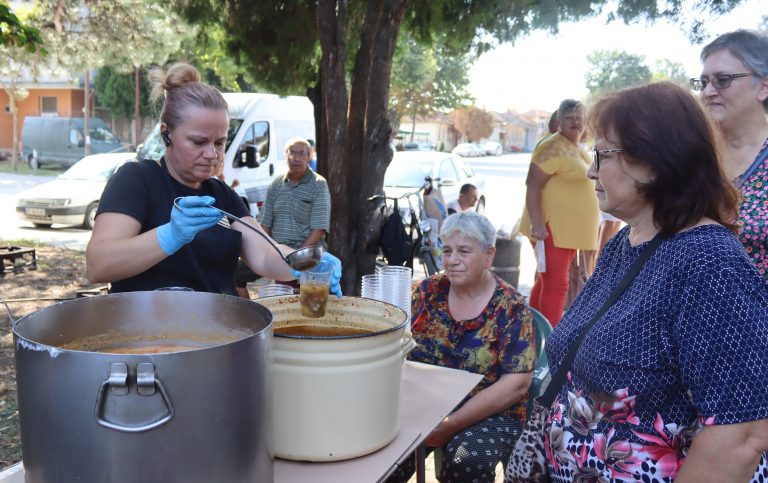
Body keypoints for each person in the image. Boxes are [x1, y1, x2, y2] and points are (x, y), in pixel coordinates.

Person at [535, 82, 768, 481]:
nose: (591, 169)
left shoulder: (710, 266)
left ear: (655, 162)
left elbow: (743, 435)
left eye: (602, 154)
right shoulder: (626, 244)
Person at [86, 63, 341, 297]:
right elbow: (98, 265)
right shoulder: (136, 180)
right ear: (167, 133)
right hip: (147, 338)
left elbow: (265, 254)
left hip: (219, 332)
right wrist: (168, 236)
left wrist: (308, 261)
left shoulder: (222, 195)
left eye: (220, 142)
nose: (212, 154)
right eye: (198, 142)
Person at [388, 212, 535, 483]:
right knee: (381, 452)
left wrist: (451, 424)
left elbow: (517, 383)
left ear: (489, 256)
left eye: (464, 251)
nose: (452, 260)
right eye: (447, 250)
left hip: (490, 412)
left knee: (466, 458)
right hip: (424, 403)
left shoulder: (511, 307)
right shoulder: (425, 292)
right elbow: (390, 341)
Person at [695, 29, 768, 279]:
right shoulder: (691, 156)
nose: (707, 92)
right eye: (704, 82)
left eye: (722, 80)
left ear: (763, 87)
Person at [519, 99, 599, 326]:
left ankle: (532, 334)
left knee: (546, 282)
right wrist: (537, 223)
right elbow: (532, 184)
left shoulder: (575, 147)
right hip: (550, 228)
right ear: (558, 121)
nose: (575, 122)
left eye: (579, 118)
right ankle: (551, 346)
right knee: (556, 284)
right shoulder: (551, 146)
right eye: (569, 118)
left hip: (568, 233)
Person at [233, 137, 331, 298]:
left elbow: (319, 230)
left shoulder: (318, 184)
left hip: (308, 253)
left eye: (301, 153)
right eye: (292, 153)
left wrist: (295, 256)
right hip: (277, 251)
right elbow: (264, 225)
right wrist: (262, 249)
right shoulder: (277, 184)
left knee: (293, 293)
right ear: (285, 156)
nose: (296, 158)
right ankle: (250, 316)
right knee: (236, 272)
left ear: (309, 157)